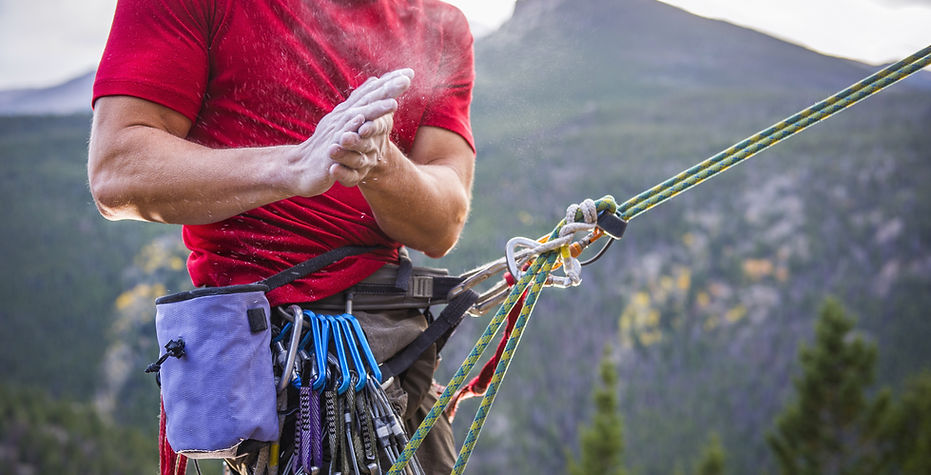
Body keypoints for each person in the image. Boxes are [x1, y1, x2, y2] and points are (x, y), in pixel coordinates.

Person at [87, 0, 476, 473]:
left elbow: (442, 224)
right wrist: (293, 165)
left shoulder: (440, 27)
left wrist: (381, 163)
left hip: (396, 365)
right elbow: (117, 169)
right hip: (278, 368)